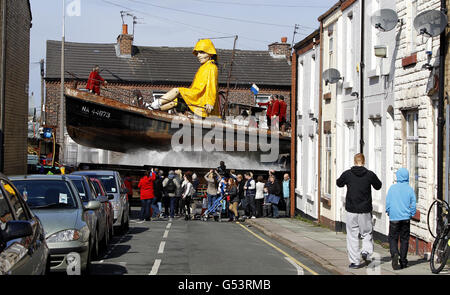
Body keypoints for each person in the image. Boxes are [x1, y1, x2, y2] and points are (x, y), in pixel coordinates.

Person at [150, 39, 220, 118]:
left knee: (177, 90)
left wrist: (209, 102)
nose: (198, 55)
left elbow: (212, 85)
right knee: (174, 102)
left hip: (200, 99)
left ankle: (153, 106)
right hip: (195, 96)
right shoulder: (203, 67)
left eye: (202, 52)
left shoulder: (211, 67)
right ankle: (154, 110)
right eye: (197, 53)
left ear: (210, 53)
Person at [336, 153, 382, 269]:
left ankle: (355, 262)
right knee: (367, 232)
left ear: (354, 161)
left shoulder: (348, 174)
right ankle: (366, 251)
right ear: (364, 162)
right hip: (365, 210)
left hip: (351, 209)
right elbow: (378, 186)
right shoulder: (369, 175)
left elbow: (339, 183)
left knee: (352, 235)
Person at [385, 168, 416, 270]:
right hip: (405, 218)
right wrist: (411, 213)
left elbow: (388, 203)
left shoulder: (392, 188)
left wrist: (389, 212)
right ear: (407, 176)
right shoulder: (409, 189)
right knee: (404, 240)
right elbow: (413, 204)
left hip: (394, 218)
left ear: (398, 176)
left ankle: (394, 253)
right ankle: (403, 261)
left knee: (393, 238)